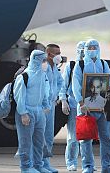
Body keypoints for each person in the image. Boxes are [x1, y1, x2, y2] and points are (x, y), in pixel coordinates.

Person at [72, 39, 110, 173]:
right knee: (86, 139)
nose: (92, 50)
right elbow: (76, 85)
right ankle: (88, 166)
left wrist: (108, 100)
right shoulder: (80, 65)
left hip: (102, 109)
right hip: (85, 108)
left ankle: (107, 166)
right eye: (89, 47)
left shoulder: (103, 64)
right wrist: (81, 102)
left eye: (95, 47)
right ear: (85, 49)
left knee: (106, 139)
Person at [14, 50, 51, 173]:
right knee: (26, 141)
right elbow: (19, 96)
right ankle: (25, 166)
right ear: (36, 60)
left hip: (39, 111)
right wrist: (23, 113)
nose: (45, 63)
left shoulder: (42, 75)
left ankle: (38, 165)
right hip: (27, 111)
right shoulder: (25, 76)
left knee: (39, 141)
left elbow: (43, 91)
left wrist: (45, 104)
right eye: (43, 60)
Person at [59, 41, 85, 171]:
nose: (83, 52)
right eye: (81, 49)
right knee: (73, 137)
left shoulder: (94, 66)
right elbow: (63, 85)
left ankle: (87, 162)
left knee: (86, 137)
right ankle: (71, 161)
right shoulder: (72, 65)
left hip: (89, 107)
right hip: (74, 105)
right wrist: (63, 100)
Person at [43, 44, 64, 173]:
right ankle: (38, 163)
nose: (59, 56)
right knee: (40, 136)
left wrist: (55, 95)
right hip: (42, 106)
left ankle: (46, 163)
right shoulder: (43, 66)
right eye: (56, 53)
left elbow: (59, 81)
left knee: (49, 136)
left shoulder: (54, 68)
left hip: (51, 104)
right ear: (49, 54)